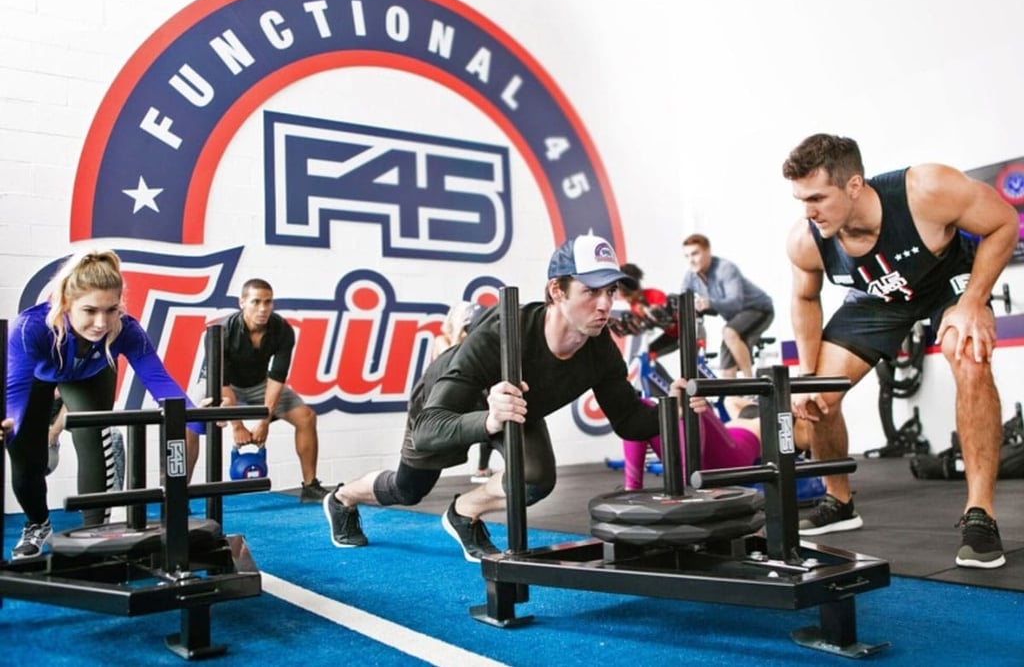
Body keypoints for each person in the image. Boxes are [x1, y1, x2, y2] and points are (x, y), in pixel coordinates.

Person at [323, 233, 681, 560]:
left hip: (514, 408)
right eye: (591, 291)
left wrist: (676, 407)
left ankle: (463, 512)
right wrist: (488, 419)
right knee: (408, 490)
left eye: (611, 291)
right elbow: (428, 429)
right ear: (557, 290)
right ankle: (343, 498)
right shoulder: (502, 332)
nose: (605, 304)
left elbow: (629, 421)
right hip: (450, 407)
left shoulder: (600, 349)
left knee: (536, 478)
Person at [782, 133, 1018, 569]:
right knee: (819, 394)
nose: (808, 211)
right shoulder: (807, 240)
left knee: (969, 357)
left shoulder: (926, 191)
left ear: (854, 185)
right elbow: (805, 299)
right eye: (801, 200)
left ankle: (980, 514)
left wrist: (972, 301)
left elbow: (1004, 220)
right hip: (877, 300)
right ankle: (839, 501)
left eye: (817, 197)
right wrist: (808, 374)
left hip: (945, 280)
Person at [1, 249, 205, 559]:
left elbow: (162, 384)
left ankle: (93, 535)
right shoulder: (31, 328)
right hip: (39, 376)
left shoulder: (126, 330)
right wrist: (10, 424)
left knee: (93, 439)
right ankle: (37, 523)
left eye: (111, 310)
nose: (101, 323)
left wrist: (196, 418)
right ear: (66, 304)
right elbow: (14, 395)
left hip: (91, 375)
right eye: (90, 311)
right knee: (24, 454)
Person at [203, 278, 329, 503]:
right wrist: (237, 425)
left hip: (259, 385)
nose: (263, 309)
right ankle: (178, 495)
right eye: (256, 302)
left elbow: (276, 378)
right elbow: (222, 382)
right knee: (189, 425)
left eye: (268, 302)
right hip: (221, 384)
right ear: (242, 302)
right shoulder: (221, 331)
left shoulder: (282, 330)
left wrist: (264, 420)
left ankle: (310, 487)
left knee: (307, 417)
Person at [679, 234, 774, 378]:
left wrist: (709, 303)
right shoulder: (691, 276)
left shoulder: (725, 269)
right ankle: (732, 398)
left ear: (707, 251)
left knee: (728, 332)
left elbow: (735, 302)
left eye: (695, 254)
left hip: (758, 309)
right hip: (735, 319)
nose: (691, 260)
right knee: (726, 369)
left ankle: (751, 383)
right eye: (687, 256)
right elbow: (682, 299)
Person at [622, 394, 761, 490]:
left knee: (694, 406)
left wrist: (762, 401)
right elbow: (730, 400)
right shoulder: (739, 414)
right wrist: (757, 400)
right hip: (704, 449)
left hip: (732, 457)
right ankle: (633, 491)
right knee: (640, 408)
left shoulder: (761, 421)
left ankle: (685, 484)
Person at [431, 301, 493, 483]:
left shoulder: (472, 341)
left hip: (467, 394)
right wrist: (459, 332)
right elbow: (451, 360)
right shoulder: (441, 340)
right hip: (443, 396)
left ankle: (482, 468)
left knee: (490, 419)